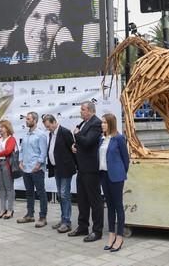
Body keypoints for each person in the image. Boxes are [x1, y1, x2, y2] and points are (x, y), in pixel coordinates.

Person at [0, 0, 85, 64]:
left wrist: (67, 44)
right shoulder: (5, 59)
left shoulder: (65, 62)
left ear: (61, 28)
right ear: (24, 22)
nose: (41, 27)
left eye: (52, 20)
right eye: (36, 16)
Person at [68, 101, 104, 242]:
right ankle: (83, 227)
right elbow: (82, 142)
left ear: (90, 110)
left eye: (83, 109)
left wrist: (76, 136)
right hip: (82, 167)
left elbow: (89, 142)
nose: (80, 112)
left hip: (91, 168)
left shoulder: (96, 123)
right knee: (82, 199)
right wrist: (74, 145)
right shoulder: (83, 123)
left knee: (94, 200)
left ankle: (97, 231)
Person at [99, 113, 129, 252]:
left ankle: (120, 236)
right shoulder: (102, 139)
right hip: (103, 175)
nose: (102, 125)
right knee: (109, 206)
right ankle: (111, 234)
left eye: (105, 122)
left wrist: (121, 173)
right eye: (102, 122)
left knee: (118, 206)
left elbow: (125, 160)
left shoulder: (119, 138)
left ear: (111, 123)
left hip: (116, 177)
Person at [42, 113, 77, 233]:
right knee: (60, 195)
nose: (48, 128)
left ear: (54, 122)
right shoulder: (51, 134)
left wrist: (75, 166)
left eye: (49, 126)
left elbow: (73, 150)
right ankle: (63, 219)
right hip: (56, 168)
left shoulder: (65, 132)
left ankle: (67, 222)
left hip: (66, 169)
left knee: (64, 194)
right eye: (46, 127)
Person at [17, 111, 48, 228]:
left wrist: (38, 165)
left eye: (29, 119)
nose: (26, 120)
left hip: (36, 169)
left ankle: (43, 217)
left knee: (41, 193)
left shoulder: (41, 135)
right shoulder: (26, 135)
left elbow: (43, 152)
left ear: (35, 120)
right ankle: (30, 215)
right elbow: (22, 150)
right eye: (26, 119)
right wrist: (20, 161)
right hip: (25, 168)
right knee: (29, 193)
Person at [0, 119, 17, 219]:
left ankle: (10, 210)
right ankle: (2, 209)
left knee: (9, 188)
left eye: (2, 127)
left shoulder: (11, 139)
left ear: (7, 128)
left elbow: (8, 150)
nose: (0, 129)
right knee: (2, 188)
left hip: (7, 163)